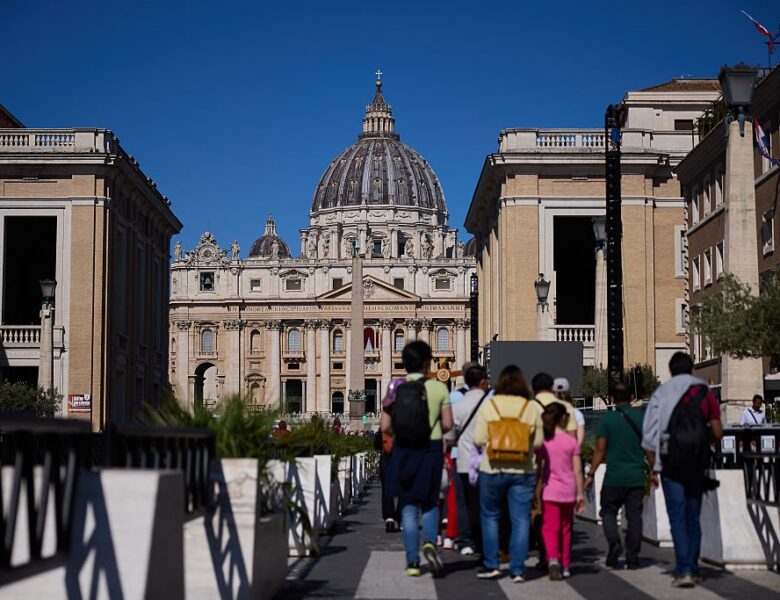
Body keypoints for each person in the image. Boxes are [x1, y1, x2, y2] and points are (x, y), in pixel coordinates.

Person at [642, 352, 723, 588]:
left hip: (671, 464)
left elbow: (649, 438)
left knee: (677, 517)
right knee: (693, 515)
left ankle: (684, 570)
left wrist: (654, 467)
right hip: (697, 464)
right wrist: (704, 443)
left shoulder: (661, 393)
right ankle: (694, 567)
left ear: (670, 370)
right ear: (692, 369)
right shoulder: (704, 391)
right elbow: (718, 432)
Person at [381, 341, 453, 578]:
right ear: (427, 362)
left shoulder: (394, 387)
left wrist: (401, 432)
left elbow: (385, 426)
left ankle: (412, 562)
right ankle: (431, 543)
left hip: (405, 449)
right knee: (430, 501)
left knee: (409, 506)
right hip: (431, 449)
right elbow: (448, 425)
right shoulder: (439, 388)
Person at [473, 365, 543, 583]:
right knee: (521, 519)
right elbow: (539, 442)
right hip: (523, 470)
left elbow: (478, 439)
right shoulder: (531, 407)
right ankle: (518, 569)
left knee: (490, 516)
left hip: (492, 468)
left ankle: (492, 564)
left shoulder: (490, 405)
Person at [585, 382, 645, 570]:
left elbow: (600, 449)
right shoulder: (641, 417)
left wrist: (591, 473)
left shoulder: (608, 420)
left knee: (608, 511)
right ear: (632, 397)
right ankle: (633, 557)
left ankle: (614, 542)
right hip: (636, 476)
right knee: (634, 516)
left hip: (614, 476)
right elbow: (649, 447)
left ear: (611, 398)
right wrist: (656, 471)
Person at [536, 403, 584, 580]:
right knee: (566, 528)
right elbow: (577, 469)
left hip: (550, 489)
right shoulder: (571, 442)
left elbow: (539, 467)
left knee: (549, 527)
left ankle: (553, 559)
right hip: (568, 490)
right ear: (564, 418)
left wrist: (537, 484)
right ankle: (565, 565)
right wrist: (580, 493)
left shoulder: (545, 442)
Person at [451, 364, 491, 556]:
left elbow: (449, 436)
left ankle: (466, 540)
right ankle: (485, 542)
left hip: (464, 461)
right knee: (486, 503)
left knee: (464, 502)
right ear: (483, 382)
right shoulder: (492, 404)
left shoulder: (457, 405)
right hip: (488, 462)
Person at [533, 373, 577, 437]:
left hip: (537, 445)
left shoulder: (529, 406)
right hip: (562, 445)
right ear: (552, 387)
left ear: (533, 389)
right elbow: (572, 435)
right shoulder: (566, 406)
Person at [373, 424, 399, 532]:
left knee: (386, 489)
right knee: (405, 488)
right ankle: (401, 516)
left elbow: (377, 444)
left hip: (387, 458)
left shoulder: (386, 424)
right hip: (403, 457)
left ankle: (389, 518)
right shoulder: (408, 422)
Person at [553, 378, 585, 446]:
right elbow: (579, 441)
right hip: (569, 452)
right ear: (568, 393)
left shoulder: (548, 412)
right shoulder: (577, 414)